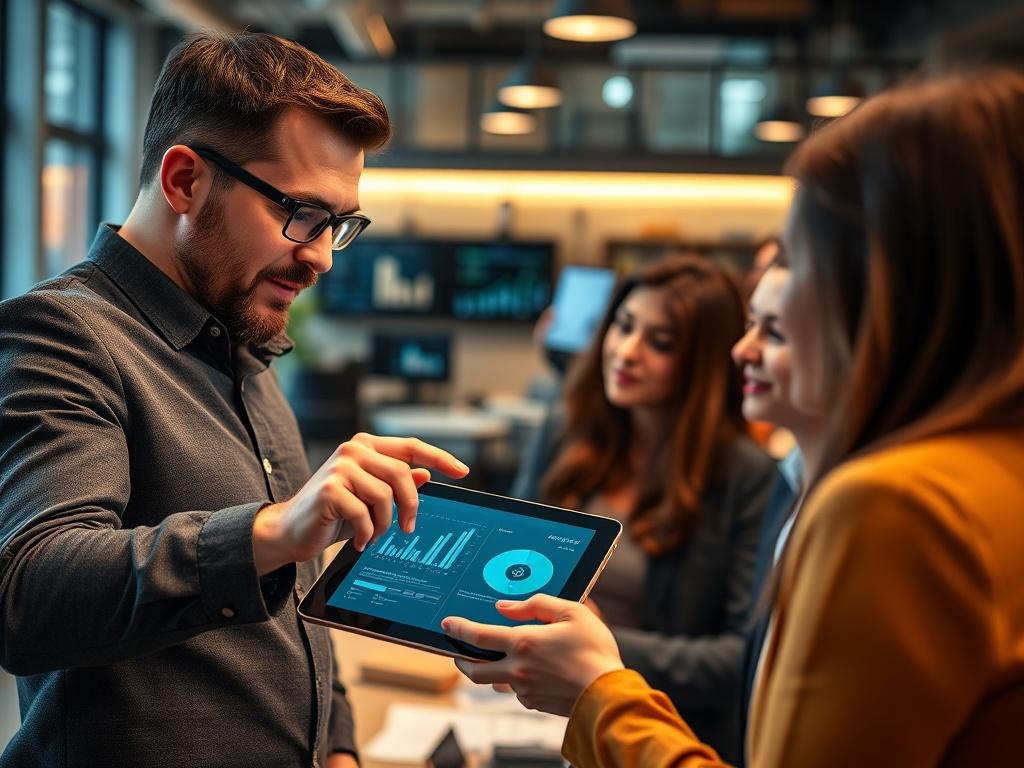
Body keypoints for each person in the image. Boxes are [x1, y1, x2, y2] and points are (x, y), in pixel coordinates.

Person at [442, 68, 1024, 766]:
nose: (751, 341)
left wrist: (599, 689)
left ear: (881, 290)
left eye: (796, 260)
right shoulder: (990, 471)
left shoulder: (898, 504)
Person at [0, 32, 468, 768]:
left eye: (339, 225)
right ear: (185, 180)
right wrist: (276, 529)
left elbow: (293, 616)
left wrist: (337, 745)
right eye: (302, 213)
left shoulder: (240, 338)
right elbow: (28, 593)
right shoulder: (63, 333)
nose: (321, 256)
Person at [512, 255, 777, 760]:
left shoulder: (747, 476)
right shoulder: (565, 430)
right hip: (533, 712)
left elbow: (739, 658)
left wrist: (595, 649)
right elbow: (506, 561)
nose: (627, 351)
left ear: (701, 363)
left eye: (660, 343)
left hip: (661, 737)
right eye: (624, 325)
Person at [729, 261, 825, 764]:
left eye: (775, 332)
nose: (742, 350)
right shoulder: (790, 481)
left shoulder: (872, 508)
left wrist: (602, 689)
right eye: (751, 324)